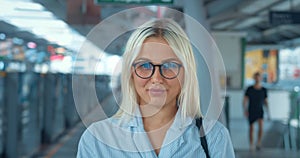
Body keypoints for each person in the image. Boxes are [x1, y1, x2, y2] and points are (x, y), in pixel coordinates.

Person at [77, 18, 235, 157]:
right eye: (145, 65)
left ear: (186, 73)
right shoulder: (97, 139)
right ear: (131, 72)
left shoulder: (214, 137)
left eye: (170, 65)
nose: (157, 78)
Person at [243, 72, 270, 151]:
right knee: (251, 128)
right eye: (256, 77)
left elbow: (266, 101)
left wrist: (268, 112)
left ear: (260, 78)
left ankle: (258, 142)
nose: (257, 79)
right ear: (254, 78)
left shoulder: (264, 90)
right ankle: (251, 144)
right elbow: (245, 100)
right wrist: (245, 109)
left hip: (260, 110)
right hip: (251, 110)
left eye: (259, 77)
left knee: (261, 127)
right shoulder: (249, 89)